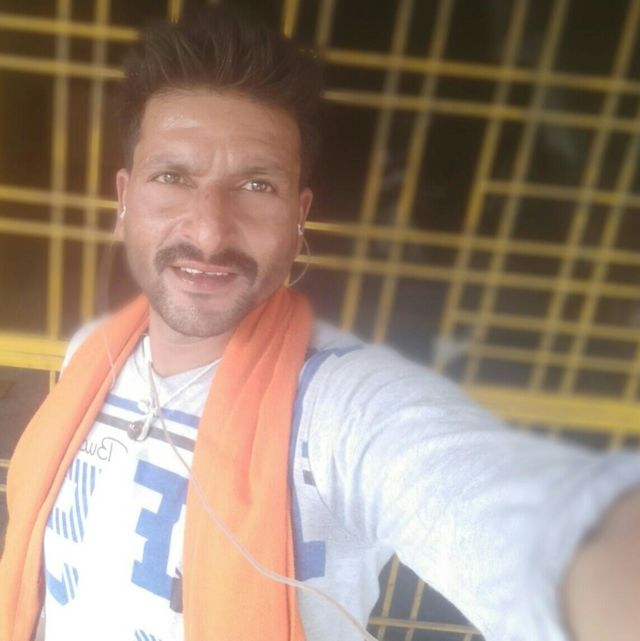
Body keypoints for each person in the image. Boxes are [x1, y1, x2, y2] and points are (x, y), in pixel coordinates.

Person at [1, 7, 640, 641]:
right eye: (172, 177)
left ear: (299, 214)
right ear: (123, 200)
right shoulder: (89, 354)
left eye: (257, 185)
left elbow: (552, 536)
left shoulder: (339, 408)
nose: (210, 232)